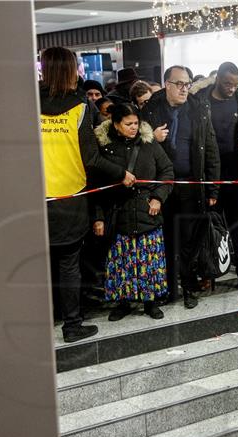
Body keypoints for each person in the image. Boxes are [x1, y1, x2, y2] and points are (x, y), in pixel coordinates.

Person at [39, 47, 136, 343]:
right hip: (70, 197)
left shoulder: (26, 103)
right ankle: (71, 325)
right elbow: (92, 158)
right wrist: (122, 173)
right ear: (71, 70)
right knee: (69, 264)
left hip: (34, 199)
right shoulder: (80, 106)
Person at [140, 65, 220, 309]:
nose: (185, 89)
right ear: (167, 84)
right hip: (160, 189)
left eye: (187, 84)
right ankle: (168, 288)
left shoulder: (198, 109)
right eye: (179, 84)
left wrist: (213, 188)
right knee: (165, 240)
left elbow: (211, 148)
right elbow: (134, 147)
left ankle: (188, 286)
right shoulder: (150, 110)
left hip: (191, 187)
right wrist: (152, 137)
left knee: (188, 242)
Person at [91, 103, 174, 321]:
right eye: (128, 124)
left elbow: (167, 171)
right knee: (121, 262)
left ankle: (151, 302)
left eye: (136, 123)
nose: (133, 127)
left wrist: (158, 197)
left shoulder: (149, 143)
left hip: (148, 212)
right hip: (117, 214)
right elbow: (97, 184)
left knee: (149, 262)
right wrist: (98, 217)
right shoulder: (104, 147)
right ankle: (123, 302)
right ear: (116, 125)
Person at [190, 61, 238, 288]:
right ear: (217, 79)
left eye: (234, 84)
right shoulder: (201, 101)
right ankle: (208, 273)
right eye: (226, 83)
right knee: (208, 226)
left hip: (237, 174)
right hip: (208, 174)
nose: (231, 88)